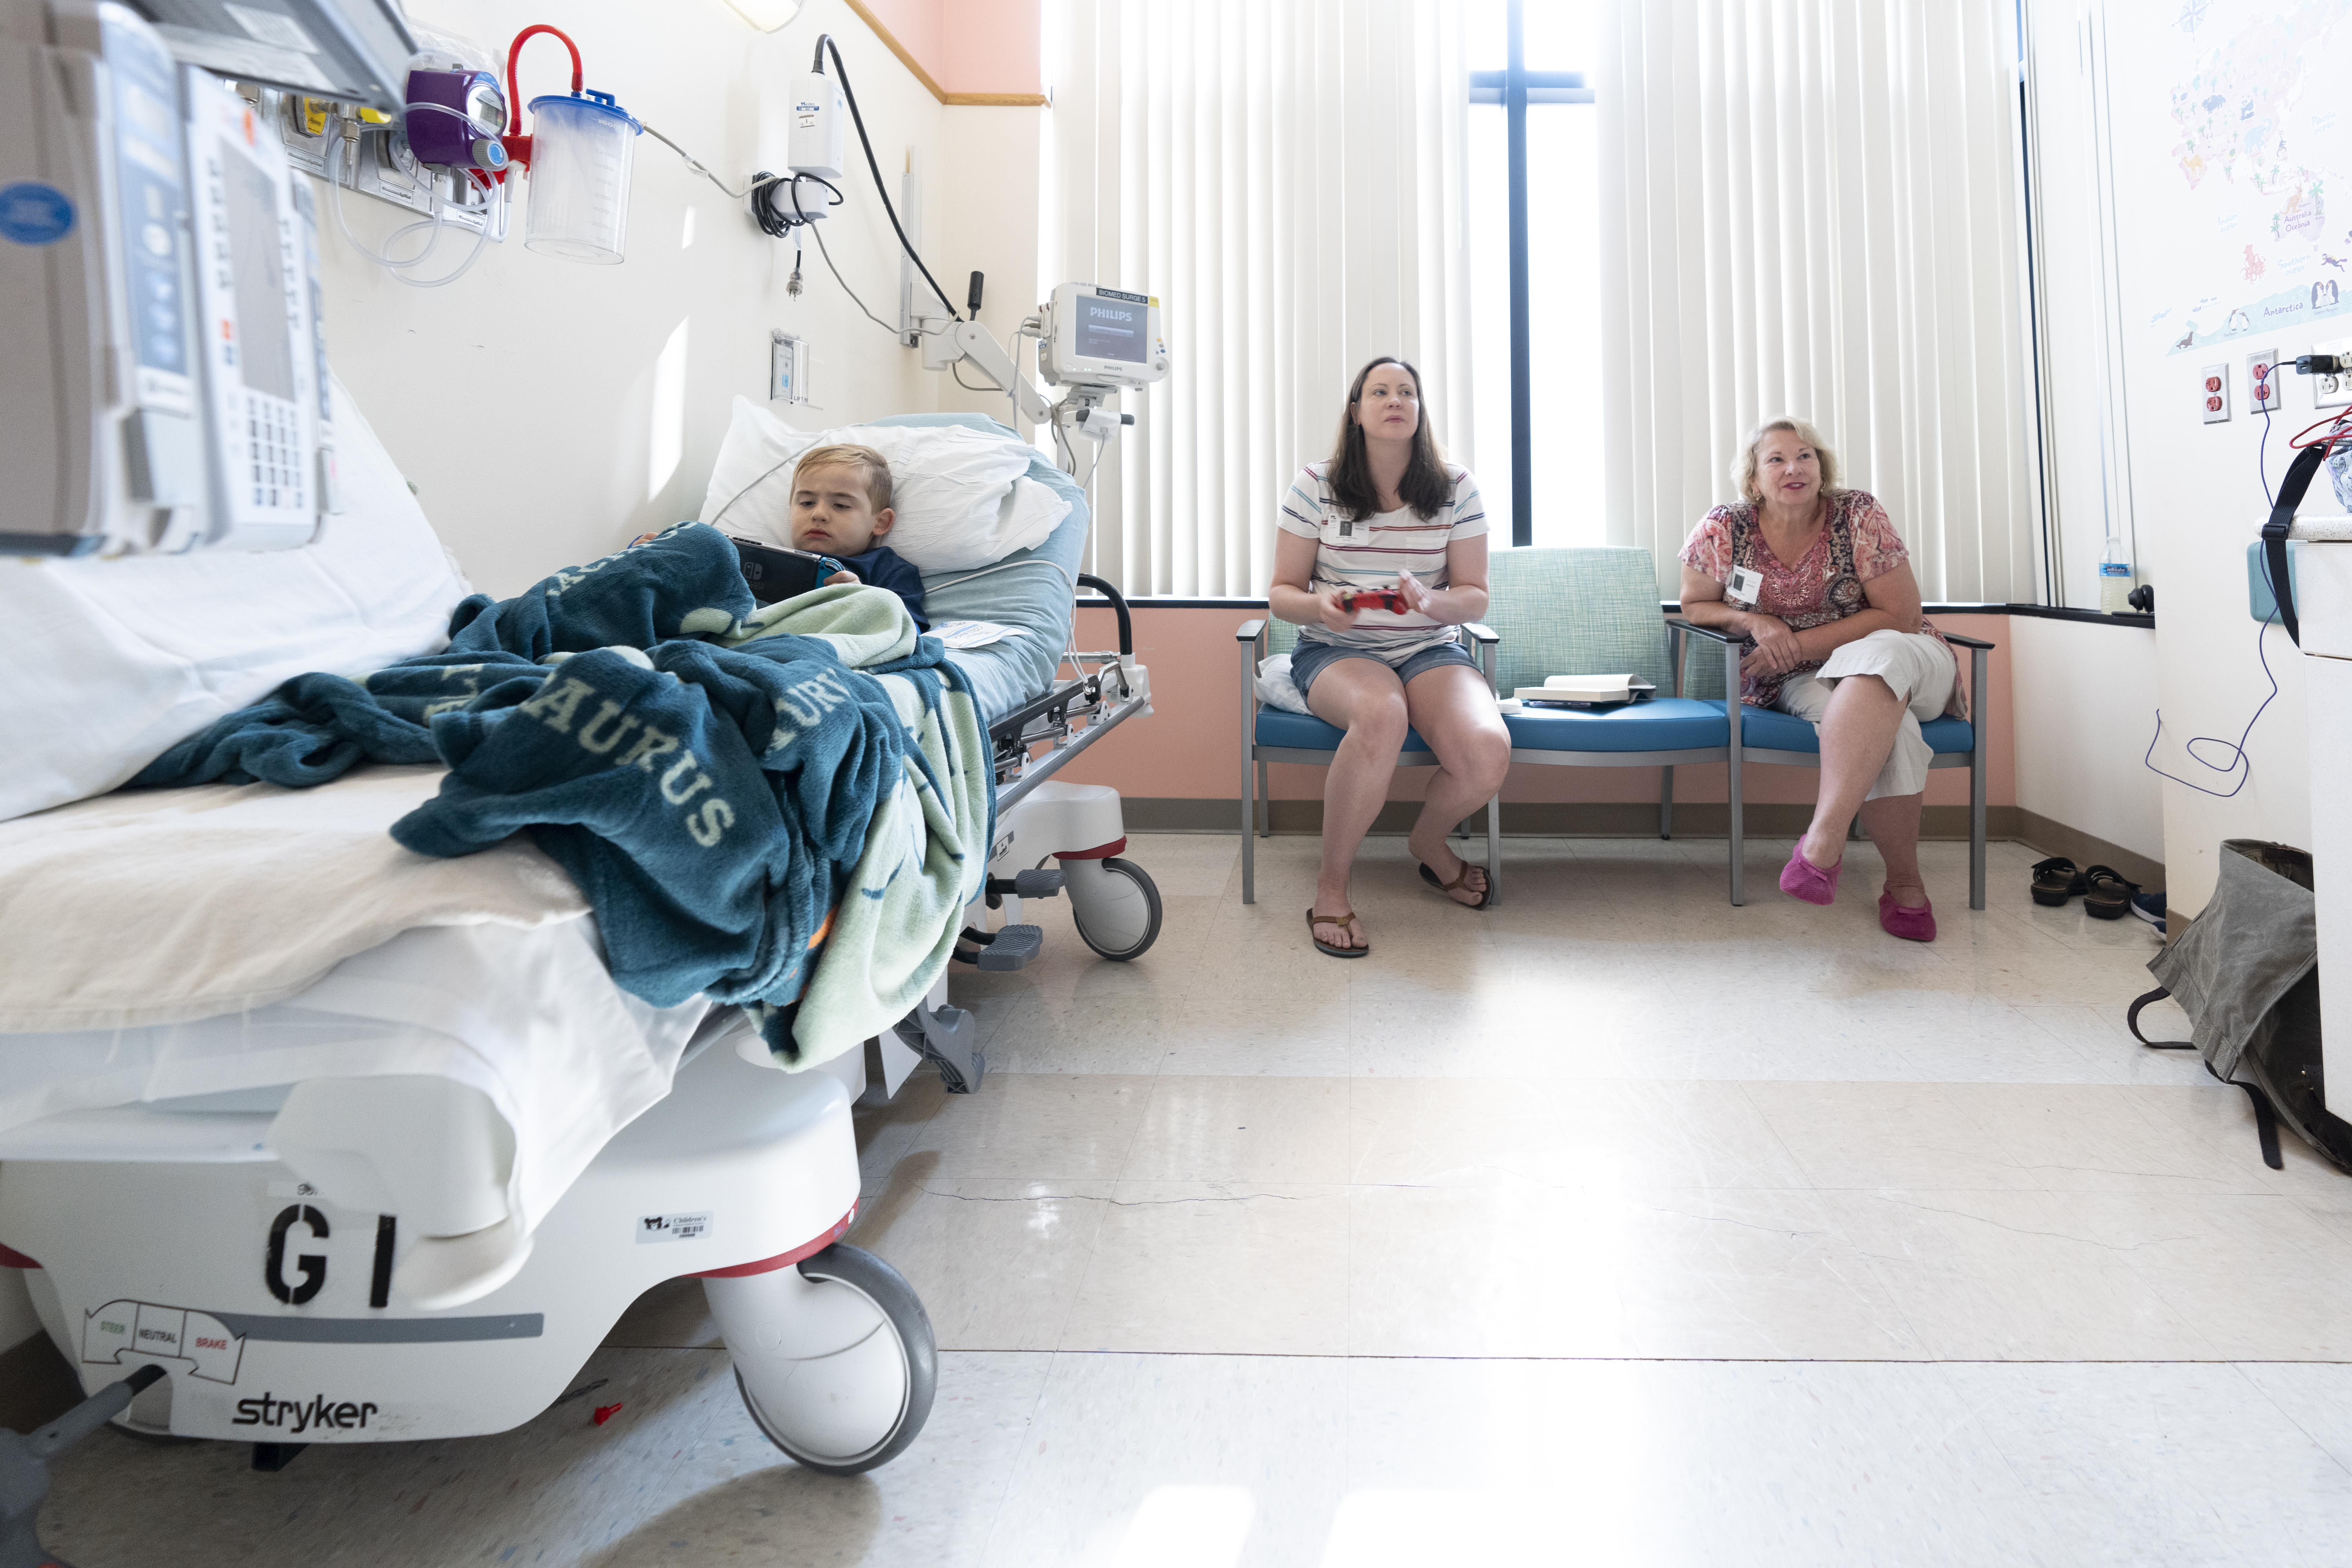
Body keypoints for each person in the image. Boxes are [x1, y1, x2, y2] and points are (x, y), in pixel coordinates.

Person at [1677, 417, 1964, 942]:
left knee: (1879, 659)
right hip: (1807, 679)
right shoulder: (1727, 526)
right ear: (1754, 478)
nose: (1794, 468)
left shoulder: (1858, 514)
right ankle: (1904, 885)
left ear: (1821, 467)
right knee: (1885, 727)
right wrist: (1754, 621)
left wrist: (1797, 644)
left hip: (1909, 657)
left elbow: (1900, 615)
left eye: (1806, 456)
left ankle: (1822, 843)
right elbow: (1696, 603)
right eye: (1777, 459)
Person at [1268, 356, 1510, 958]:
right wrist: (1323, 607)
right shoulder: (1315, 484)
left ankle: (1428, 843)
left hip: (1427, 646)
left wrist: (1431, 601)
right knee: (1381, 713)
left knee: (1486, 752)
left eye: (1406, 391)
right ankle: (1331, 888)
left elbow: (1475, 594)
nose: (1394, 400)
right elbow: (1280, 596)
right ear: (1356, 411)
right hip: (1335, 650)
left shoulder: (1456, 487)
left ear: (1420, 410)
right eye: (1379, 391)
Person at [788, 443, 928, 629]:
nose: (818, 514)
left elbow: (909, 632)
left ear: (880, 523)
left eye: (841, 505)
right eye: (807, 503)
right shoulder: (765, 559)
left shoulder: (889, 570)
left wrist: (861, 599)